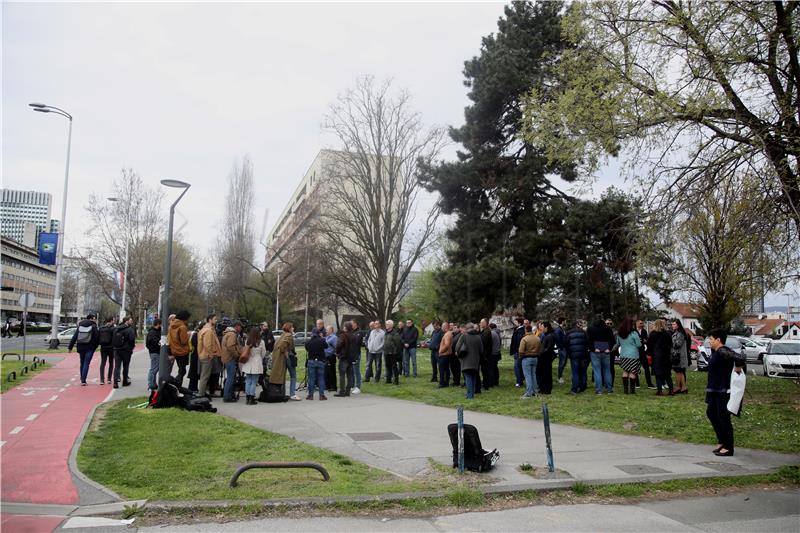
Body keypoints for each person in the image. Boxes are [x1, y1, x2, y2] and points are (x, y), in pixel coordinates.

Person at [705, 328, 745, 456]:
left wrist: (737, 371)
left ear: (718, 339)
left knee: (723, 417)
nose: (709, 341)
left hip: (723, 390)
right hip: (714, 389)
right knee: (711, 413)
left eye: (711, 339)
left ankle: (728, 446)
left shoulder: (723, 350)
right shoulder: (716, 351)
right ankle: (722, 440)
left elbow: (740, 358)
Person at [68, 313, 99, 386]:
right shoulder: (94, 326)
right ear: (91, 318)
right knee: (86, 363)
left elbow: (75, 337)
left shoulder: (80, 325)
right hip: (90, 348)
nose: (95, 320)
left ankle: (82, 379)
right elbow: (97, 338)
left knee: (82, 363)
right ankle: (83, 380)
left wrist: (70, 347)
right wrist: (95, 347)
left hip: (80, 347)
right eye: (94, 318)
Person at [587, 318, 616, 394]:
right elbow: (612, 340)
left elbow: (588, 340)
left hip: (595, 352)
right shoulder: (608, 329)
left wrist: (593, 348)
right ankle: (609, 389)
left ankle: (599, 390)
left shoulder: (590, 328)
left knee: (597, 371)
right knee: (607, 370)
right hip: (605, 351)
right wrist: (608, 348)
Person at [455, 323, 482, 400]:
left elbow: (457, 347)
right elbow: (481, 350)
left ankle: (470, 396)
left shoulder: (464, 336)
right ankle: (471, 393)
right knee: (473, 377)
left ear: (467, 329)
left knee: (468, 378)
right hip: (476, 361)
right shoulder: (478, 337)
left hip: (466, 360)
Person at [647, 319, 674, 396]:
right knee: (667, 375)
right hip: (666, 356)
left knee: (658, 375)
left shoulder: (652, 334)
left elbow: (649, 345)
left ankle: (660, 391)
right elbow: (670, 344)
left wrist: (649, 353)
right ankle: (671, 390)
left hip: (657, 356)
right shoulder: (667, 334)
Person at [197, 314, 221, 397]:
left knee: (205, 376)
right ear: (210, 320)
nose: (216, 320)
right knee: (205, 376)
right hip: (207, 356)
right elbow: (208, 345)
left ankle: (202, 393)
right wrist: (211, 355)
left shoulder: (206, 329)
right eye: (215, 319)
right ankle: (201, 394)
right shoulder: (208, 331)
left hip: (204, 355)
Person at [240, 326, 265, 405]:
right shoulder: (261, 342)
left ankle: (247, 398)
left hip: (248, 362)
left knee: (248, 381)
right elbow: (263, 353)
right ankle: (251, 398)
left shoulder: (247, 341)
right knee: (254, 381)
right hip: (256, 362)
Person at [616, 318, 642, 395]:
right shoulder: (634, 333)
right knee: (632, 372)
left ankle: (625, 390)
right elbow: (639, 344)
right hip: (633, 355)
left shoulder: (620, 334)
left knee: (625, 371)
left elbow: (618, 344)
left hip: (623, 355)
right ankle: (632, 390)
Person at [270, 322, 294, 398]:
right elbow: (282, 346)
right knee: (293, 375)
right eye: (292, 327)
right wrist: (286, 353)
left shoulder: (282, 335)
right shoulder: (289, 335)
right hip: (285, 358)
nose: (293, 328)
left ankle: (282, 394)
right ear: (289, 328)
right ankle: (292, 394)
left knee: (281, 376)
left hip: (278, 359)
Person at [564, 320, 589, 394]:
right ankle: (582, 387)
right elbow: (587, 343)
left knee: (575, 372)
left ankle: (574, 388)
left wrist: (569, 353)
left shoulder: (569, 333)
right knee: (583, 371)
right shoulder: (584, 332)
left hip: (573, 355)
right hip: (583, 354)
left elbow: (566, 344)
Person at [221, 320, 243, 402]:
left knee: (231, 378)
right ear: (237, 326)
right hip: (230, 359)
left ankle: (229, 395)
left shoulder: (228, 333)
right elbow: (230, 347)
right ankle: (227, 397)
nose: (241, 329)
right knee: (230, 378)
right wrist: (237, 355)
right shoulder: (232, 334)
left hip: (227, 358)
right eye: (240, 327)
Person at [112, 316, 136, 388]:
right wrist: (131, 347)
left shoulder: (116, 329)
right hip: (126, 350)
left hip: (117, 349)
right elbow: (132, 339)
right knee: (126, 366)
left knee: (117, 366)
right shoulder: (129, 329)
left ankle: (115, 383)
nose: (131, 322)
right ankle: (124, 381)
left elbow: (113, 338)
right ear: (126, 321)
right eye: (130, 320)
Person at [169, 310, 191, 387]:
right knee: (182, 370)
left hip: (175, 350)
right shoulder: (182, 327)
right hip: (183, 351)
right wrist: (188, 336)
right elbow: (184, 341)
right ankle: (177, 384)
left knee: (181, 369)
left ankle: (177, 383)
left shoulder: (171, 326)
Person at [304, 327, 328, 400]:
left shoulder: (308, 342)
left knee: (311, 379)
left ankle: (310, 395)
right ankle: (321, 395)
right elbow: (326, 346)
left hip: (311, 361)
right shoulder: (322, 340)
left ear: (312, 334)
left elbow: (307, 349)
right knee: (321, 378)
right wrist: (321, 337)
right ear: (319, 333)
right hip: (320, 360)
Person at [518, 324, 541, 398]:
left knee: (528, 376)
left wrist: (521, 357)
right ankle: (535, 391)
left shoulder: (524, 339)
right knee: (533, 375)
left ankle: (529, 392)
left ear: (525, 330)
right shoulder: (537, 338)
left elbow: (521, 351)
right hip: (535, 358)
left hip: (526, 358)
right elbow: (540, 349)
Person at [670, 319, 690, 394]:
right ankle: (683, 387)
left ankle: (678, 387)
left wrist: (670, 342)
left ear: (678, 325)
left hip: (679, 356)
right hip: (678, 355)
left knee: (678, 371)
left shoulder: (680, 333)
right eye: (672, 324)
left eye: (674, 324)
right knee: (679, 372)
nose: (673, 325)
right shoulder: (677, 332)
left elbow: (678, 344)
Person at [537, 321, 556, 394]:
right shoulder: (546, 335)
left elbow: (548, 348)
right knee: (543, 374)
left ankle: (546, 389)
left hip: (546, 358)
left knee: (546, 374)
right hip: (544, 357)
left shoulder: (550, 336)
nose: (540, 328)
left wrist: (541, 353)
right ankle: (543, 388)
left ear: (546, 327)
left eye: (542, 327)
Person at [335, 323, 354, 397]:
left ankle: (342, 391)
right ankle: (347, 391)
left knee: (342, 375)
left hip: (344, 357)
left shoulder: (343, 335)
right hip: (351, 357)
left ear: (346, 328)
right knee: (349, 375)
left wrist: (337, 352)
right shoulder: (354, 336)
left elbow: (339, 345)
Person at [635, 319, 655, 389]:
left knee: (646, 368)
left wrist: (645, 340)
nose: (642, 325)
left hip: (642, 351)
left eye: (642, 323)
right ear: (637, 324)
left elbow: (646, 340)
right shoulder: (633, 331)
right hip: (635, 351)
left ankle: (649, 383)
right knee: (635, 368)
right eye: (640, 323)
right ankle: (636, 384)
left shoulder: (644, 331)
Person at [97, 317, 116, 385]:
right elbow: (115, 338)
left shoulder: (101, 328)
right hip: (111, 348)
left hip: (103, 347)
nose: (114, 321)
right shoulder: (113, 328)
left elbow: (98, 337)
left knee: (103, 363)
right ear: (111, 321)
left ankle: (102, 379)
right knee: (111, 363)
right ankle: (109, 379)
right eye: (113, 320)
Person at [145, 319, 162, 390]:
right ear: (158, 324)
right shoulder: (153, 332)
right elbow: (151, 343)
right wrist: (159, 343)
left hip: (155, 352)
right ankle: (151, 384)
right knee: (154, 369)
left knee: (154, 368)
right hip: (155, 352)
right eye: (160, 324)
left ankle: (153, 384)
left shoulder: (155, 331)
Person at [383, 320, 402, 385]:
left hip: (392, 353)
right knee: (388, 366)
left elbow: (398, 344)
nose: (386, 325)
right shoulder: (385, 332)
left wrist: (395, 352)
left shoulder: (395, 333)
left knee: (394, 367)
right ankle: (388, 380)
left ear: (391, 325)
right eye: (386, 324)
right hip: (386, 352)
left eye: (388, 324)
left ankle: (396, 380)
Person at [509, 317, 526, 388]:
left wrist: (516, 350)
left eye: (515, 322)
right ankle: (520, 380)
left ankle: (519, 381)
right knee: (519, 367)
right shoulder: (517, 330)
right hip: (517, 351)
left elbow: (519, 342)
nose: (514, 323)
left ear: (519, 323)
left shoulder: (520, 331)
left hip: (518, 352)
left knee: (517, 367)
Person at [478, 318, 492, 392]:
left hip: (485, 355)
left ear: (485, 323)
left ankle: (486, 385)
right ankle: (485, 384)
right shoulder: (483, 331)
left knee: (485, 371)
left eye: (481, 322)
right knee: (484, 370)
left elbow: (483, 342)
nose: (480, 324)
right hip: (483, 355)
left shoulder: (487, 332)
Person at [437, 322, 452, 387]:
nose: (441, 327)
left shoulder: (447, 334)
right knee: (446, 369)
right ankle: (446, 383)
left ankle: (442, 383)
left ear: (445, 327)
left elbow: (447, 345)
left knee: (442, 370)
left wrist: (441, 351)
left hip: (444, 355)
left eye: (442, 326)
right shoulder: (448, 334)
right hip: (446, 354)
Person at [350, 320, 363, 394]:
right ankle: (352, 385)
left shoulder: (359, 332)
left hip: (356, 354)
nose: (351, 325)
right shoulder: (352, 332)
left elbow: (356, 342)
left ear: (355, 324)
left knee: (356, 371)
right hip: (351, 354)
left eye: (352, 324)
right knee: (351, 371)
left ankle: (358, 387)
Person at [324, 326, 338, 394]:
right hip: (326, 357)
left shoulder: (334, 338)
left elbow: (336, 347)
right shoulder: (327, 337)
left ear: (331, 330)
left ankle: (333, 386)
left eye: (327, 329)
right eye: (326, 329)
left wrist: (333, 354)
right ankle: (328, 385)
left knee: (332, 371)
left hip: (331, 356)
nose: (326, 331)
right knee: (327, 371)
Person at [554, 317, 568, 384]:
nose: (566, 322)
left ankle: (560, 376)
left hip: (564, 349)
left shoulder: (562, 329)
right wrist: (561, 347)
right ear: (562, 321)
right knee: (561, 364)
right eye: (565, 321)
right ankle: (559, 377)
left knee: (563, 363)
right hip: (562, 349)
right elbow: (557, 339)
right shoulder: (558, 330)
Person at [489, 323, 502, 387]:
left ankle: (492, 382)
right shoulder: (498, 333)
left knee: (491, 368)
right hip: (497, 352)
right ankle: (496, 381)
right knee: (495, 368)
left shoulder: (492, 333)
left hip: (493, 353)